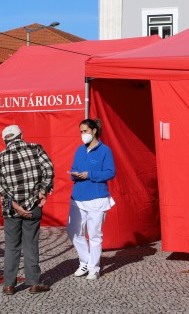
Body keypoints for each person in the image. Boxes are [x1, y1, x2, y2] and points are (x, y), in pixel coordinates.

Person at [0, 124, 54, 295]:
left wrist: (16, 206)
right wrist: (42, 192)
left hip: (11, 210)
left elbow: (0, 187)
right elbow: (49, 169)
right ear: (21, 135)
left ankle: (9, 285)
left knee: (12, 247)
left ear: (5, 140)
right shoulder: (35, 149)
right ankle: (34, 283)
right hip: (34, 206)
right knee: (31, 244)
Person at [67, 118, 116, 281]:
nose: (82, 135)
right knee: (73, 231)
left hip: (97, 198)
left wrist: (90, 175)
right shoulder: (79, 150)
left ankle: (94, 268)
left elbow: (110, 172)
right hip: (77, 197)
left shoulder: (105, 151)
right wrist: (74, 174)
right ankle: (85, 261)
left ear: (94, 131)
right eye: (81, 132)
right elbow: (74, 167)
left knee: (94, 235)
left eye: (85, 131)